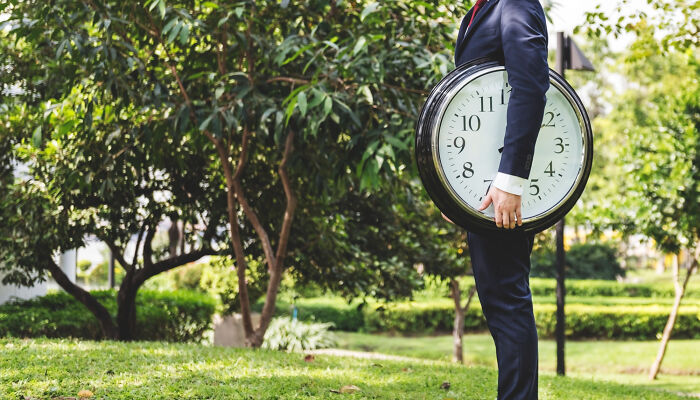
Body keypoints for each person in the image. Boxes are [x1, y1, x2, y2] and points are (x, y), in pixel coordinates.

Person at [445, 0, 550, 399]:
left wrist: (511, 180)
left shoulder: (515, 3)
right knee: (500, 299)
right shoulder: (486, 8)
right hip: (482, 185)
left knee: (507, 300)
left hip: (503, 186)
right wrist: (451, 187)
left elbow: (530, 87)